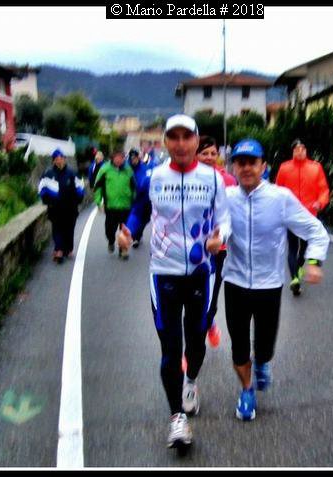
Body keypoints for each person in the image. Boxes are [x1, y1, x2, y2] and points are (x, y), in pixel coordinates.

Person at [117, 114, 231, 452]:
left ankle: (191, 380)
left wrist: (220, 237)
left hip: (201, 273)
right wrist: (129, 232)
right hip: (163, 273)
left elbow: (224, 219)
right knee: (170, 349)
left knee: (195, 342)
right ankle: (177, 418)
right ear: (166, 142)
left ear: (196, 140)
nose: (180, 144)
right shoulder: (152, 177)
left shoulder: (213, 179)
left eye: (186, 137)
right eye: (174, 137)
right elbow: (139, 212)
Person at [223, 138, 329, 421]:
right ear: (234, 167)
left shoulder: (280, 199)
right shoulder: (226, 197)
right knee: (238, 347)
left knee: (265, 345)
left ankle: (262, 362)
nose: (246, 168)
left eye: (252, 162)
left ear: (263, 166)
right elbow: (210, 226)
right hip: (235, 283)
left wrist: (313, 261)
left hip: (269, 285)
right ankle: (247, 391)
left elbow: (315, 230)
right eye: (241, 163)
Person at [195, 136, 237, 349]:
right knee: (192, 298)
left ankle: (208, 323)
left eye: (213, 153)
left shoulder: (227, 180)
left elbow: (232, 214)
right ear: (196, 155)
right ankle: (198, 334)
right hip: (192, 248)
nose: (209, 157)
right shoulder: (187, 179)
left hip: (218, 249)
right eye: (204, 153)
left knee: (211, 295)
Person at [275, 139, 330, 296]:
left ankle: (299, 266)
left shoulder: (315, 168)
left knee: (304, 249)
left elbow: (324, 189)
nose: (300, 151)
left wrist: (320, 202)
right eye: (297, 149)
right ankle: (295, 279)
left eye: (303, 148)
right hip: (291, 217)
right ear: (292, 151)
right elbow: (278, 190)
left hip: (309, 216)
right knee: (292, 247)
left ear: (306, 151)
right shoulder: (284, 168)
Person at [38, 149, 85, 264]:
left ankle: (68, 249)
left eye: (61, 159)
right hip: (55, 207)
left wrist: (78, 200)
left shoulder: (72, 173)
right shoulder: (48, 174)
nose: (59, 161)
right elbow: (42, 189)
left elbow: (80, 188)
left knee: (69, 228)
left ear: (64, 159)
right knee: (57, 228)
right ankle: (59, 249)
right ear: (53, 161)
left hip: (70, 207)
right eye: (57, 159)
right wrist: (47, 200)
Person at [93, 150, 136, 259]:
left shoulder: (128, 170)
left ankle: (123, 250)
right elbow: (97, 186)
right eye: (116, 157)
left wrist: (134, 200)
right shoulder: (105, 169)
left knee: (124, 229)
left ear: (123, 158)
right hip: (110, 206)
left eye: (121, 157)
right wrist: (99, 202)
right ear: (112, 158)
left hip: (125, 205)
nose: (119, 160)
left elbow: (133, 186)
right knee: (109, 229)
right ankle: (111, 240)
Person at [127, 148, 149, 248]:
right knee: (133, 218)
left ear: (138, 158)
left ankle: (138, 234)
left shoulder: (144, 168)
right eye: (132, 158)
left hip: (145, 199)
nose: (133, 160)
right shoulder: (126, 169)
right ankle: (135, 237)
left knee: (145, 219)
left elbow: (148, 181)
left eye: (135, 158)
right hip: (132, 200)